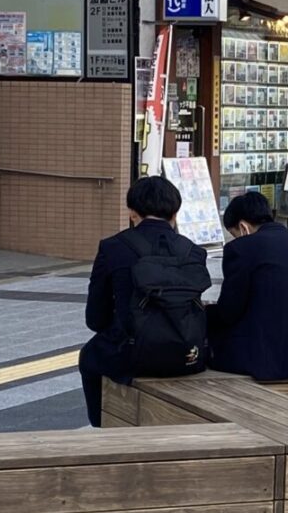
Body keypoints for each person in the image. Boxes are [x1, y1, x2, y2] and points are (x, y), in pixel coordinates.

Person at [79, 176, 209, 426]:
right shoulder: (193, 251)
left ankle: (102, 422)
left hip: (131, 356)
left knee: (89, 357)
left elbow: (95, 319)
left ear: (132, 211)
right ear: (175, 212)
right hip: (188, 355)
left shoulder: (112, 247)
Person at [208, 192, 288, 381]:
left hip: (265, 360)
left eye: (234, 235)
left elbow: (229, 312)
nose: (235, 240)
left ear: (243, 227)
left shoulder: (242, 248)